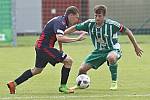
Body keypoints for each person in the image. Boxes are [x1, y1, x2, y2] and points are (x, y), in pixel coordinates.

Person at [7, 6, 86, 94]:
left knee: (37, 70)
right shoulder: (61, 23)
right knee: (68, 61)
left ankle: (13, 84)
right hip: (45, 47)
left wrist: (60, 49)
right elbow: (60, 38)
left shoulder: (61, 21)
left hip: (41, 47)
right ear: (71, 15)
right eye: (76, 17)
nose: (77, 20)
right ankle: (63, 86)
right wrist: (77, 39)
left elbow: (60, 35)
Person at [64, 5, 143, 90]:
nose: (97, 18)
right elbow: (75, 28)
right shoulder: (89, 24)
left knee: (111, 57)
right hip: (99, 51)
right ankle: (80, 83)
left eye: (99, 16)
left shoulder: (112, 25)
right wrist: (62, 33)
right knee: (82, 69)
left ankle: (114, 83)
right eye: (95, 16)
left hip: (113, 49)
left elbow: (127, 31)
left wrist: (136, 46)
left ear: (104, 16)